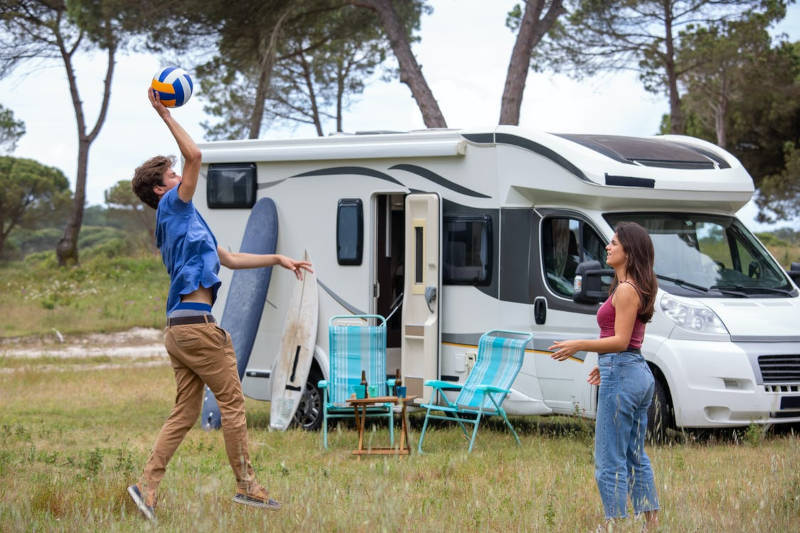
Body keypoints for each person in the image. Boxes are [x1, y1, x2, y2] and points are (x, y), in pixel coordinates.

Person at [127, 88, 313, 522]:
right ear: (160, 188)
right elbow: (195, 156)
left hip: (179, 330)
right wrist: (164, 115)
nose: (180, 177)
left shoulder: (185, 219)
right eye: (171, 175)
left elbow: (228, 258)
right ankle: (248, 487)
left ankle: (147, 487)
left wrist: (278, 259)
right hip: (198, 328)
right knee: (233, 405)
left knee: (186, 412)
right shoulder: (173, 205)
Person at [549, 222, 659, 531]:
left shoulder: (625, 290)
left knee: (609, 458)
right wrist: (605, 362)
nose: (608, 248)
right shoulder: (638, 285)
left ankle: (614, 523)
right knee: (635, 454)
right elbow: (630, 341)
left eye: (613, 244)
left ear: (629, 251)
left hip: (624, 373)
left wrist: (580, 345)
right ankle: (651, 523)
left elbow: (621, 340)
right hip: (635, 371)